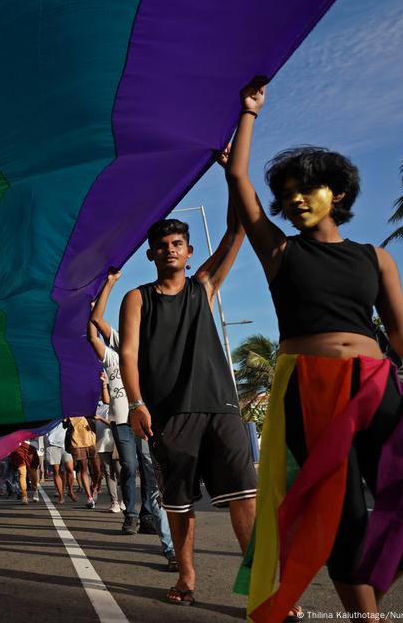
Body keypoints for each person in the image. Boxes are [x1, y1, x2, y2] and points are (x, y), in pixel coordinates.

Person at [226, 78, 403, 623]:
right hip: (310, 387)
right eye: (286, 193)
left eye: (305, 188)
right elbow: (240, 179)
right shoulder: (280, 250)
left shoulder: (374, 258)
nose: (293, 199)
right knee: (342, 516)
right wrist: (249, 115)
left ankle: (367, 599)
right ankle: (367, 615)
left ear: (335, 193)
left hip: (378, 383)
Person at [118, 149, 256, 602]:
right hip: (169, 416)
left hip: (220, 408)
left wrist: (232, 171)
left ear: (189, 252)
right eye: (162, 246)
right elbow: (130, 355)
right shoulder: (138, 298)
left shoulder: (205, 286)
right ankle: (186, 578)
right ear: (151, 253)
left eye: (177, 244)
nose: (170, 250)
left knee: (244, 498)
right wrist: (137, 404)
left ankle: (262, 584)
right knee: (178, 506)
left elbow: (238, 229)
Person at [90, 270, 175, 566]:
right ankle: (130, 516)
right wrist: (110, 284)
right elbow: (96, 325)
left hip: (151, 419)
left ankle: (148, 516)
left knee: (151, 472)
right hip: (124, 420)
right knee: (129, 466)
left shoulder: (153, 350)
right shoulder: (117, 351)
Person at [94, 377, 122, 513]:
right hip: (102, 445)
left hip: (116, 444)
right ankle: (114, 502)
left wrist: (100, 419)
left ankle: (124, 500)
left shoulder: (115, 405)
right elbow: (95, 427)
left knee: (120, 473)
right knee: (108, 474)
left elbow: (115, 424)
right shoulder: (98, 409)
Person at [66, 416, 97, 509]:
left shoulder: (88, 408)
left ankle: (94, 487)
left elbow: (94, 424)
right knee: (84, 468)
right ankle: (89, 497)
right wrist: (67, 420)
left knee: (97, 470)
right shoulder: (69, 411)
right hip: (77, 443)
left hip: (92, 442)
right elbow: (65, 425)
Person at [44, 422, 76, 503]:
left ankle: (70, 491)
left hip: (65, 444)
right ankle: (61, 496)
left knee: (70, 469)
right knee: (56, 470)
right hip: (52, 444)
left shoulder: (65, 413)